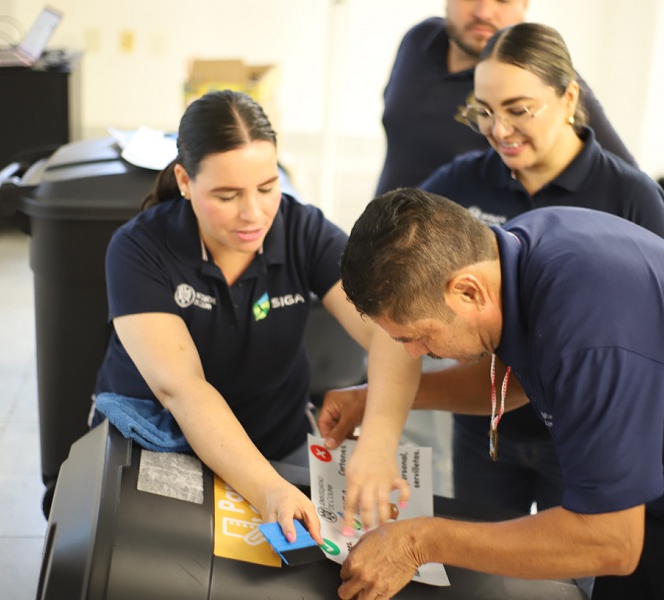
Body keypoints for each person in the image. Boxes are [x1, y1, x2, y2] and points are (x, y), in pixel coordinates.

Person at [330, 188, 664, 600]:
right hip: (661, 500)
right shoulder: (517, 253)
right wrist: (384, 399)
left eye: (415, 335)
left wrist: (420, 541)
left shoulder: (590, 328)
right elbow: (525, 379)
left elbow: (610, 541)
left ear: (468, 291)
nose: (415, 353)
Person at [90, 90, 421, 545]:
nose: (254, 214)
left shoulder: (303, 230)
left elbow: (391, 332)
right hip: (163, 442)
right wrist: (267, 489)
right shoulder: (138, 250)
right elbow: (184, 390)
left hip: (276, 438)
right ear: (185, 181)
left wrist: (379, 442)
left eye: (268, 188)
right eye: (227, 195)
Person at [416, 22, 664, 533]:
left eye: (518, 110)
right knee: (481, 566)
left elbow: (662, 331)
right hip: (483, 430)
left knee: (570, 577)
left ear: (569, 97)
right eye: (484, 112)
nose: (499, 130)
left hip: (585, 434)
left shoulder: (630, 197)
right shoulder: (459, 183)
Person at [375, 0, 637, 196]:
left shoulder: (542, 80)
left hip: (454, 258)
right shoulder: (418, 41)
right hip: (378, 242)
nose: (483, 12)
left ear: (524, 4)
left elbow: (627, 183)